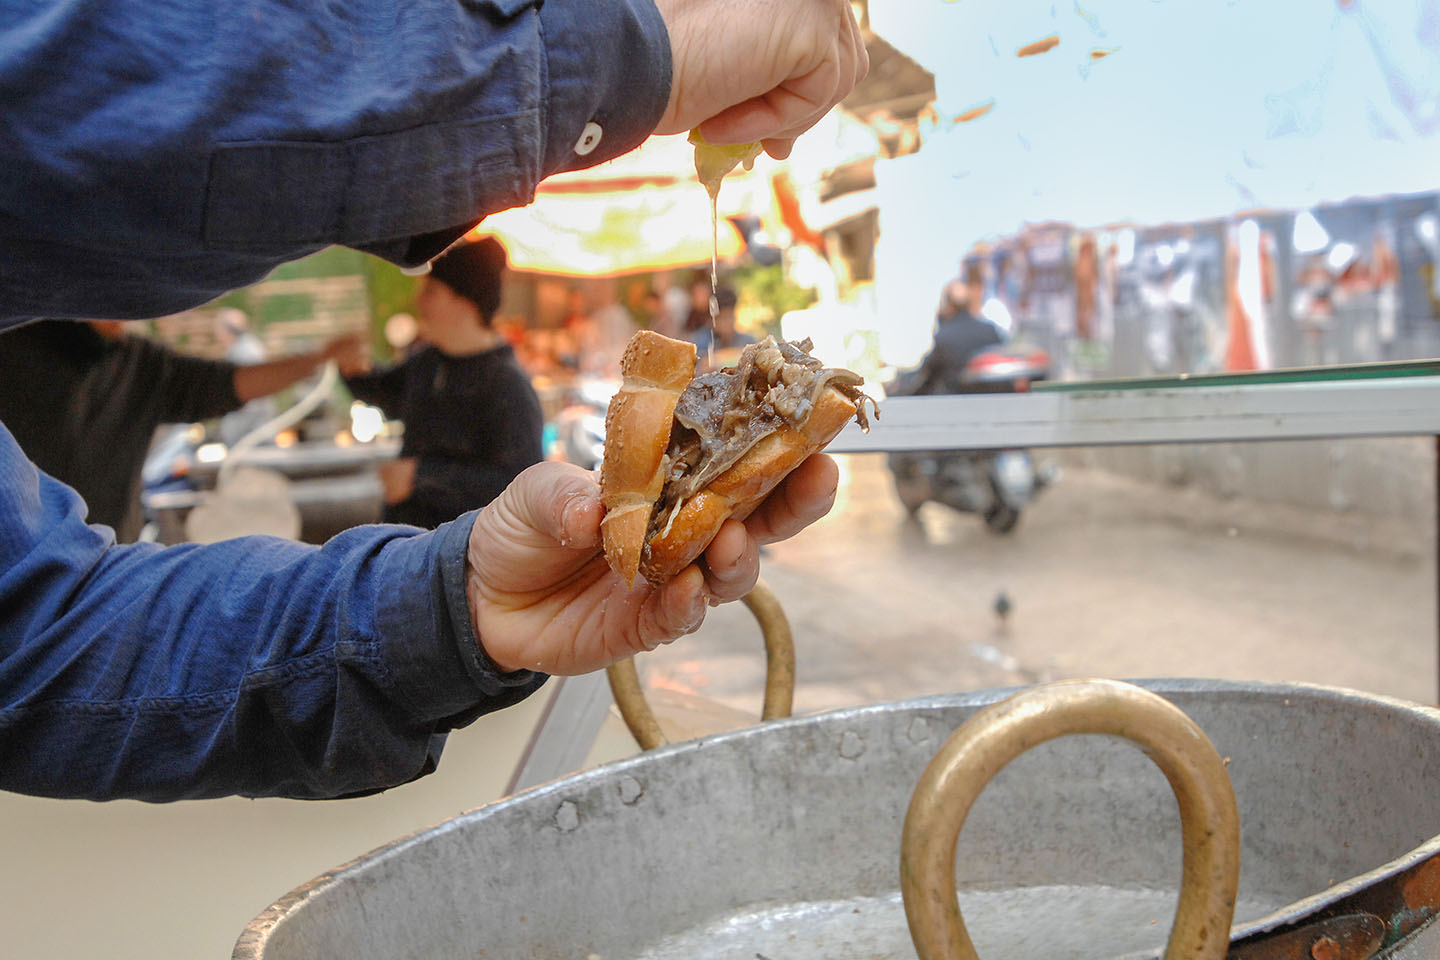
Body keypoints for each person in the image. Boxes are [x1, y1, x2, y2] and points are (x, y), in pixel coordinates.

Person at [0, 0, 867, 801]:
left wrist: (457, 606)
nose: (415, 295)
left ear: (456, 300)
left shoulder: (499, 382)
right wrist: (627, 54)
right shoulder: (420, 368)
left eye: (426, 287)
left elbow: (37, 634)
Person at [0, 319, 362, 542]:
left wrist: (317, 358)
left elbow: (230, 384)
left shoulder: (142, 365)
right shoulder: (15, 336)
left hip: (100, 569)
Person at [344, 237, 545, 528]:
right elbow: (387, 395)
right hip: (410, 542)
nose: (419, 300)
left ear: (464, 302)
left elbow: (520, 482)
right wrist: (352, 369)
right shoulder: (428, 362)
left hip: (466, 557)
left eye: (432, 291)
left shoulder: (507, 385)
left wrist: (421, 477)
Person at [899, 270, 1005, 396]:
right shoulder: (990, 331)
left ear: (948, 305)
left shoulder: (944, 336)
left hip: (954, 404)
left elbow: (926, 380)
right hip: (990, 403)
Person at [692, 285, 756, 366]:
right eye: (723, 318)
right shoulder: (702, 340)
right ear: (711, 319)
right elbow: (702, 366)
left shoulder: (747, 340)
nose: (727, 323)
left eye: (730, 317)